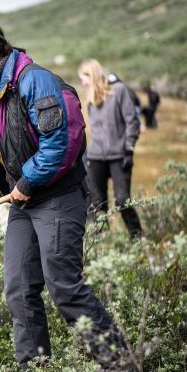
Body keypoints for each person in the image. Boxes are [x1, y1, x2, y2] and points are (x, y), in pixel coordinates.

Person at [0, 15, 134, 372]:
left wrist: (30, 180)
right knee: (19, 289)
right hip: (24, 202)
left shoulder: (35, 80)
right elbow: (0, 158)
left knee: (63, 285)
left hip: (58, 196)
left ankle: (119, 364)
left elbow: (62, 141)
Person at [78, 60, 144, 238]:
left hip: (119, 156)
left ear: (92, 75)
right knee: (97, 204)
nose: (83, 83)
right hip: (95, 157)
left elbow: (132, 122)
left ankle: (137, 238)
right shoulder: (91, 99)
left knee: (122, 200)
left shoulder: (120, 91)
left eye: (84, 78)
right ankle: (100, 243)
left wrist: (129, 149)